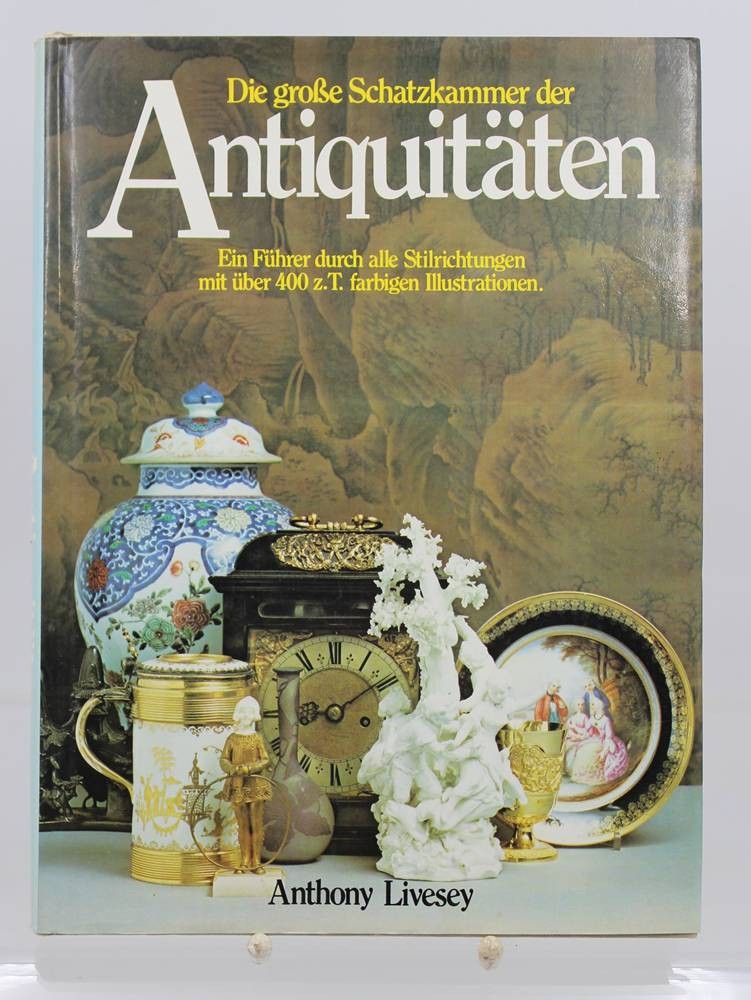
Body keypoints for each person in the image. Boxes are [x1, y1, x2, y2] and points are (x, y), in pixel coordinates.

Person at [219, 696, 272, 872]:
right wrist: (233, 769)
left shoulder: (257, 738)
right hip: (237, 785)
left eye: (249, 712)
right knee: (242, 824)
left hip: (256, 784)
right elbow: (224, 760)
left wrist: (249, 768)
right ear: (238, 714)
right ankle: (244, 860)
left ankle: (256, 861)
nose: (246, 715)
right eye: (243, 712)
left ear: (254, 714)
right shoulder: (232, 739)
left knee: (256, 823)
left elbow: (266, 760)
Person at [592, 706, 629, 783]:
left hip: (611, 745)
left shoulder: (607, 721)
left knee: (608, 773)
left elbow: (609, 740)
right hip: (601, 741)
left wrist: (603, 753)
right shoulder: (592, 719)